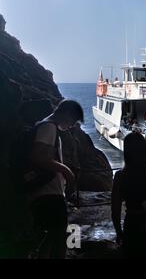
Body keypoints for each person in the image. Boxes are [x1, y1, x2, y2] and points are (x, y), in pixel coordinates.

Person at [28, 99, 83, 259]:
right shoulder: (49, 127)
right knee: (59, 238)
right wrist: (66, 171)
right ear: (67, 114)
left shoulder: (45, 125)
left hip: (46, 192)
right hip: (49, 194)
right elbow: (38, 157)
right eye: (73, 121)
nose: (72, 126)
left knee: (49, 238)